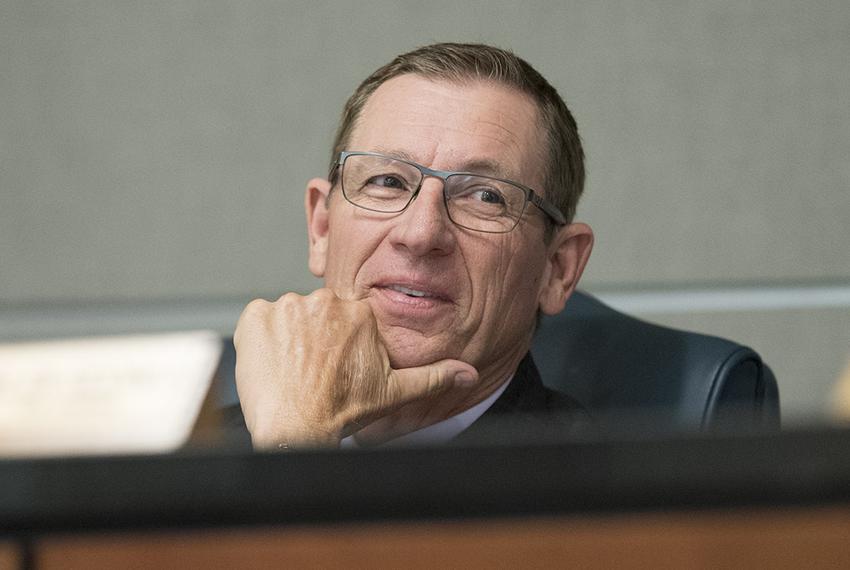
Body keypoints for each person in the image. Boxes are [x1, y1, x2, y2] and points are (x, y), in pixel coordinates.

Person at [232, 43, 594, 449]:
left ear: (558, 269)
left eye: (485, 197)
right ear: (321, 228)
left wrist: (294, 447)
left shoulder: (613, 494)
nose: (420, 235)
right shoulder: (180, 455)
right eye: (387, 182)